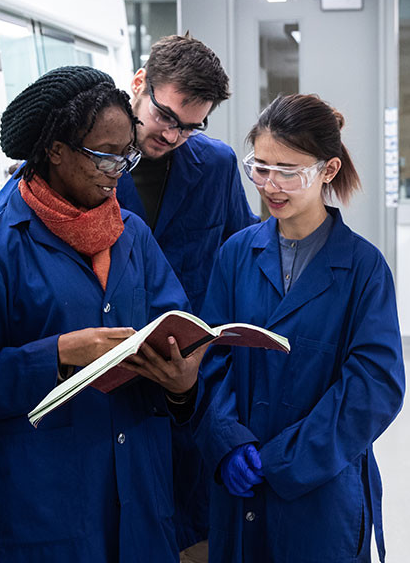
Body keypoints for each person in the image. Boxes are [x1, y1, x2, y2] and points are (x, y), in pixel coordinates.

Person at [0, 65, 209, 562]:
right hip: (47, 506)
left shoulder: (132, 235)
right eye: (103, 157)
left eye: (124, 157)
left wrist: (183, 384)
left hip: (140, 489)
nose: (117, 172)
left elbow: (176, 325)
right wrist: (58, 353)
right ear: (55, 151)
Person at [192, 94, 406, 562]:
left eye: (290, 170)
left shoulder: (363, 268)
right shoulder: (235, 253)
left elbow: (374, 387)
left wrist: (282, 460)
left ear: (328, 170)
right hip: (239, 486)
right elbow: (210, 360)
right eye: (261, 168)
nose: (272, 185)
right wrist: (227, 441)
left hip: (321, 490)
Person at [116, 34, 257, 557]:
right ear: (139, 85)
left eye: (192, 126)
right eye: (167, 117)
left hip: (192, 385)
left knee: (194, 533)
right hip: (114, 384)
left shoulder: (216, 166)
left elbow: (243, 261)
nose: (176, 136)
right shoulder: (90, 169)